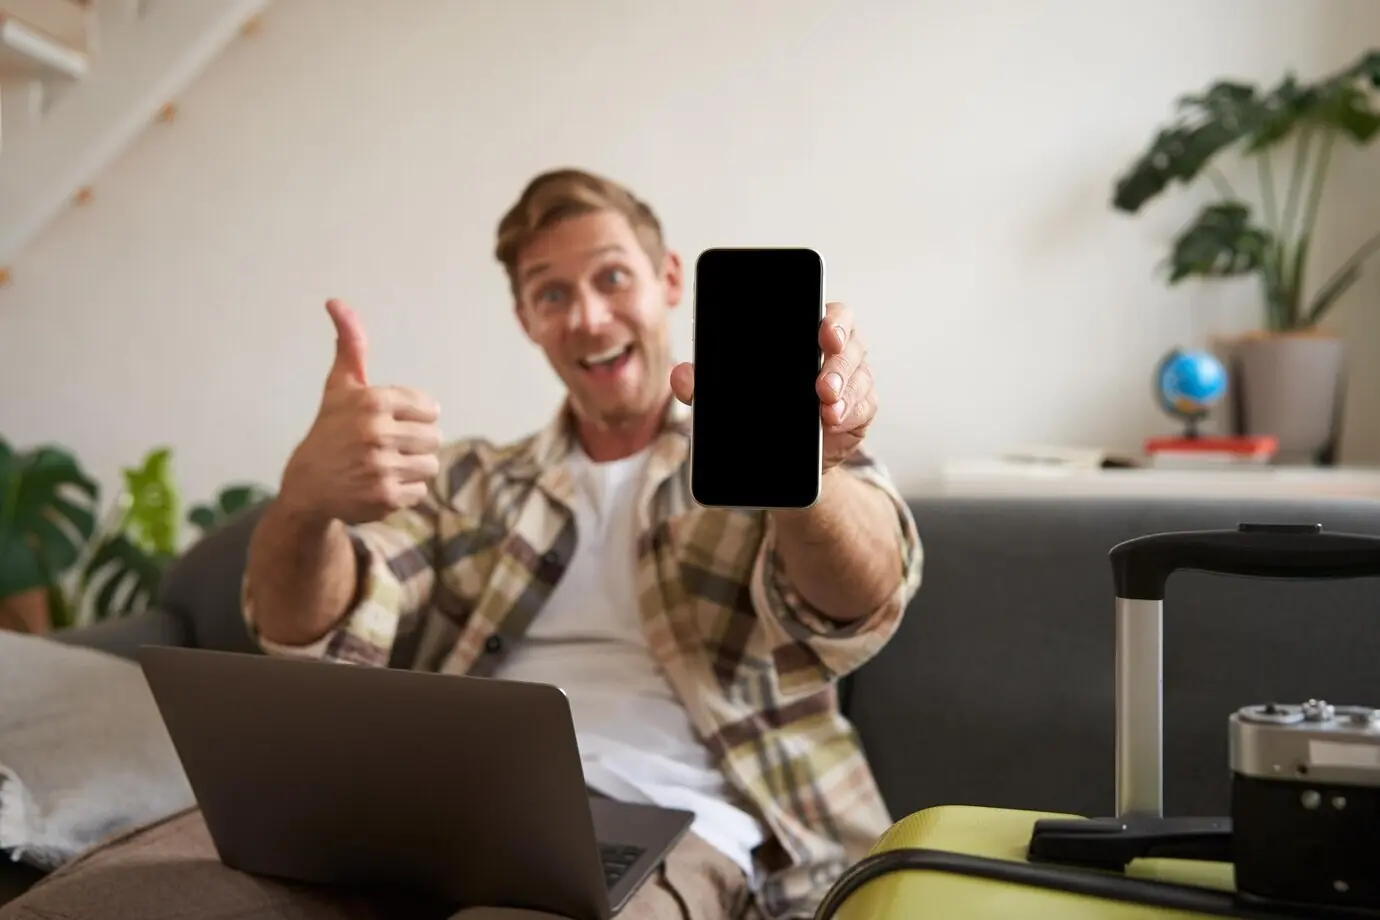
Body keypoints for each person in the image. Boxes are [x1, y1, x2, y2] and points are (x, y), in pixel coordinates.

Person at [2, 169, 921, 920]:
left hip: (679, 823)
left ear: (669, 280)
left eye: (611, 278)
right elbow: (322, 634)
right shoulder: (472, 480)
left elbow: (854, 603)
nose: (588, 318)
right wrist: (304, 504)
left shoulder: (786, 453)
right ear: (526, 321)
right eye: (550, 294)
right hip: (439, 814)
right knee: (107, 903)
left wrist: (809, 476)